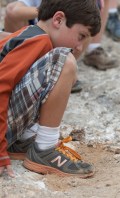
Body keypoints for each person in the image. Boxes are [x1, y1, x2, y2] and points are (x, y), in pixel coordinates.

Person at [0, 0, 100, 178]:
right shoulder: (40, 41)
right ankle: (44, 149)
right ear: (58, 19)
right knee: (65, 62)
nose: (79, 47)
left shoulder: (27, 34)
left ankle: (21, 141)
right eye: (81, 36)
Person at [4, 0, 118, 88]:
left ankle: (93, 49)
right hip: (39, 37)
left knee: (89, 19)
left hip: (64, 40)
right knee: (12, 16)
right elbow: (12, 10)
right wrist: (50, 10)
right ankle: (23, 64)